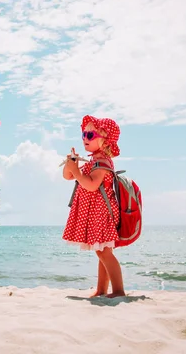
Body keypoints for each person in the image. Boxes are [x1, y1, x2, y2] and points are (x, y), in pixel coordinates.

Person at [61, 115, 125, 298]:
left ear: (105, 141)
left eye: (90, 135)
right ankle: (102, 290)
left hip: (102, 212)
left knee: (104, 252)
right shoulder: (93, 161)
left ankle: (119, 290)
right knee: (102, 250)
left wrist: (75, 171)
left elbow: (90, 184)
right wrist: (70, 165)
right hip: (96, 211)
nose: (85, 138)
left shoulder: (103, 163)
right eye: (84, 134)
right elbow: (68, 176)